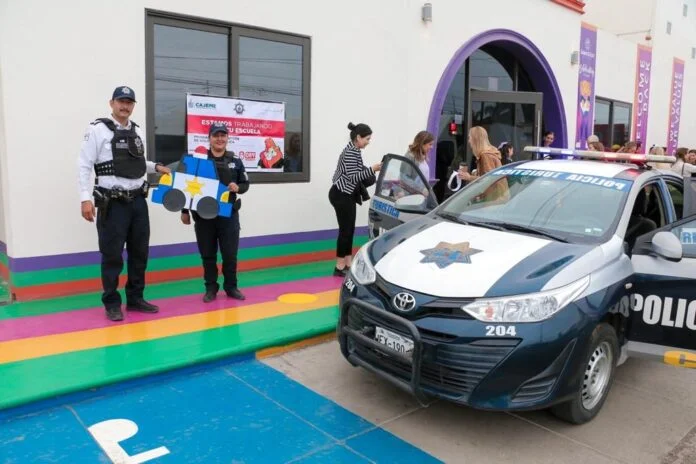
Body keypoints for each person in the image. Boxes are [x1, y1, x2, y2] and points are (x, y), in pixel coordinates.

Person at [79, 86, 171, 321]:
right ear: (112, 103)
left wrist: (156, 167)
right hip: (113, 204)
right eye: (121, 101)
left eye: (129, 102)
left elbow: (138, 161)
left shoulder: (137, 131)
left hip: (138, 202)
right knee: (112, 255)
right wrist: (85, 198)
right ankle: (111, 302)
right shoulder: (97, 130)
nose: (125, 106)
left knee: (140, 252)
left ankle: (136, 298)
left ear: (133, 106)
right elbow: (84, 165)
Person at [181, 122, 249, 302]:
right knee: (208, 254)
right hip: (203, 216)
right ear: (209, 138)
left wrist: (238, 187)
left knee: (229, 254)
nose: (220, 139)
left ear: (227, 138)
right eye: (216, 135)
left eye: (223, 135)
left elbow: (245, 184)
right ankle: (210, 288)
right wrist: (184, 211)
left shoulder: (236, 161)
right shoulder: (199, 159)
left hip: (228, 215)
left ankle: (231, 287)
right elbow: (188, 186)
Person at [329, 122, 382, 276]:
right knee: (345, 230)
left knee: (349, 229)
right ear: (358, 137)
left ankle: (348, 263)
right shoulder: (350, 153)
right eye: (367, 139)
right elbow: (353, 177)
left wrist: (371, 171)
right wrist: (372, 169)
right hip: (341, 194)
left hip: (346, 194)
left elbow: (357, 172)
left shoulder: (354, 150)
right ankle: (339, 267)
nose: (368, 142)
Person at [399, 131, 434, 196]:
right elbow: (404, 178)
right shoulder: (410, 156)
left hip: (419, 196)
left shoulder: (422, 157)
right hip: (410, 197)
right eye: (430, 144)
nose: (432, 147)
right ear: (422, 143)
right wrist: (421, 189)